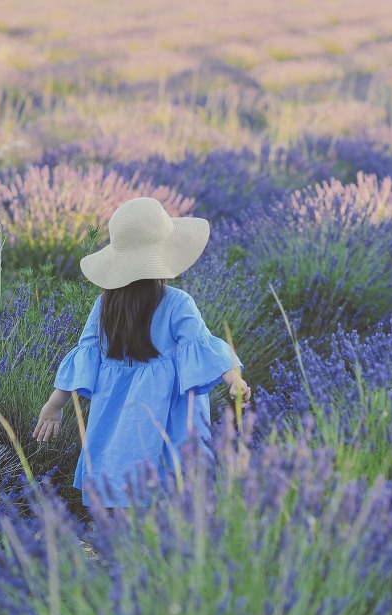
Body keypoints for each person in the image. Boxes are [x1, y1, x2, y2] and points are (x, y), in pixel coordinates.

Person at [32, 197, 251, 508]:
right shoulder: (178, 302)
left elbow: (86, 356)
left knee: (120, 461)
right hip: (170, 413)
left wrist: (55, 404)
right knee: (173, 476)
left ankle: (120, 535)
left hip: (117, 408)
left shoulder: (105, 305)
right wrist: (234, 380)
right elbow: (204, 346)